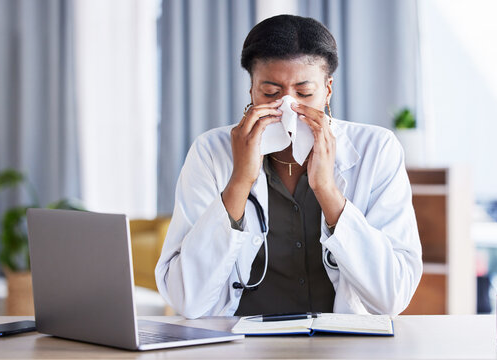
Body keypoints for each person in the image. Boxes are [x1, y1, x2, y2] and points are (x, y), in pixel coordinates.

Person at [155, 14, 422, 319]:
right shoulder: (210, 152)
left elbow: (392, 297)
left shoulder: (377, 149)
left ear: (328, 90)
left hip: (342, 346)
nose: (287, 107)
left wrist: (327, 190)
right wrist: (240, 180)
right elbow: (187, 299)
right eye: (270, 93)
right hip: (241, 345)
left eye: (304, 93)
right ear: (252, 90)